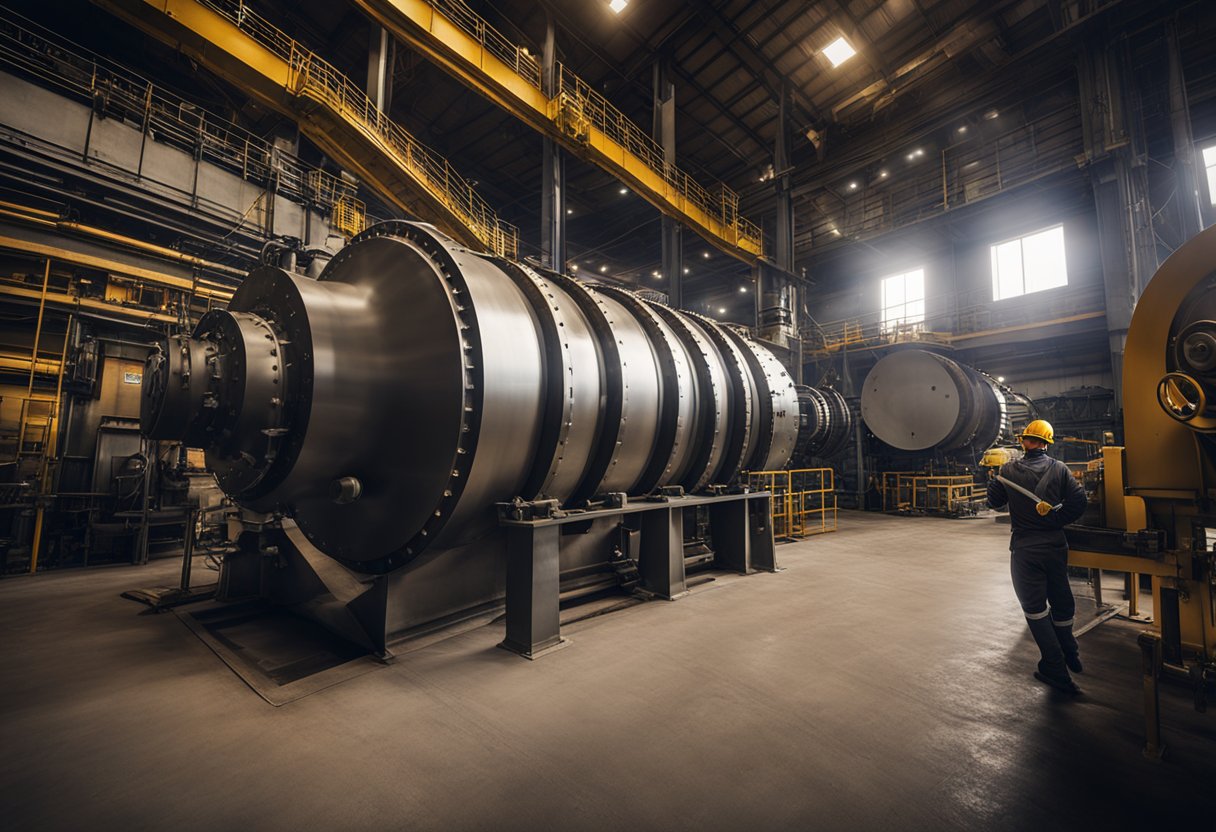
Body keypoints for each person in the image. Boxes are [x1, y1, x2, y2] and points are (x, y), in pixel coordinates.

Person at [987, 419, 1088, 695]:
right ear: (1047, 442)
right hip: (1056, 545)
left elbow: (993, 502)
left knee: (1035, 608)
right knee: (1061, 599)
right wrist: (1056, 519)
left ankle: (1055, 667)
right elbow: (1080, 502)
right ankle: (1070, 652)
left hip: (1025, 549)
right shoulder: (1060, 469)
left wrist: (993, 477)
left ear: (1024, 441)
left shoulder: (1007, 470)